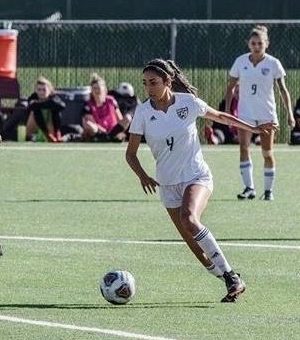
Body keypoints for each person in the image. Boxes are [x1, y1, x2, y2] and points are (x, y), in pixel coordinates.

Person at [125, 58, 275, 302]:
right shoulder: (143, 112)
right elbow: (130, 154)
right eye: (145, 84)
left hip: (196, 176)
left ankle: (231, 276)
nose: (148, 88)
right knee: (192, 243)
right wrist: (143, 175)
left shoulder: (188, 103)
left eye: (153, 82)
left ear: (167, 81)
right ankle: (229, 280)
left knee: (189, 218)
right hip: (167, 184)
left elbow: (221, 117)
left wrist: (254, 129)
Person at [225, 25, 295, 201]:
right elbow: (231, 87)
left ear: (267, 44)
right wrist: (227, 113)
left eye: (260, 43)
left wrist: (290, 114)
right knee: (243, 148)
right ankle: (249, 188)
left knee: (267, 152)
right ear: (248, 44)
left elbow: (283, 90)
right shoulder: (240, 62)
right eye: (253, 43)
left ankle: (268, 191)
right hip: (245, 113)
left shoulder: (273, 63)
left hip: (266, 113)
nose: (256, 46)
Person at [82, 74, 132, 142]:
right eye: (94, 88)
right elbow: (92, 122)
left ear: (105, 90)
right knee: (88, 124)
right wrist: (104, 132)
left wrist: (119, 130)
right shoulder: (88, 104)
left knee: (128, 118)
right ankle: (107, 138)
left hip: (113, 131)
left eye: (98, 88)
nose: (96, 91)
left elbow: (120, 118)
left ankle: (110, 137)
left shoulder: (111, 100)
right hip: (99, 132)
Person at [26, 77, 66, 142]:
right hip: (37, 127)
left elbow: (62, 106)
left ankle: (57, 133)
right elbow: (30, 106)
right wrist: (44, 104)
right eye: (39, 90)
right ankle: (46, 134)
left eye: (44, 90)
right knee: (35, 110)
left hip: (50, 126)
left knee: (56, 109)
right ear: (36, 90)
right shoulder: (33, 97)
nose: (41, 92)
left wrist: (41, 104)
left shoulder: (53, 97)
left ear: (49, 90)